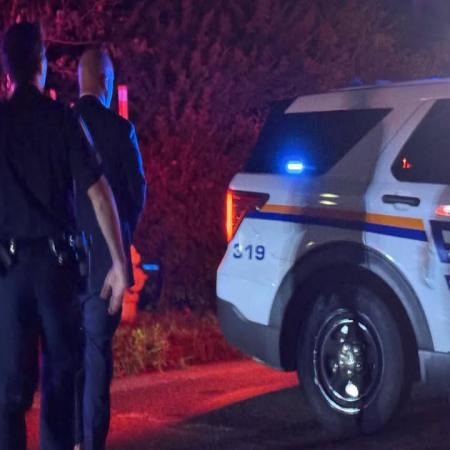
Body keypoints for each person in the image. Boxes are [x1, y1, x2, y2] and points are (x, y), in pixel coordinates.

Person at [0, 22, 128, 450]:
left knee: (9, 397)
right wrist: (119, 262)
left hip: (8, 274)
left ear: (7, 70)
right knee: (59, 384)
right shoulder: (63, 120)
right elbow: (99, 192)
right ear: (41, 64)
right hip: (56, 272)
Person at [74, 48, 146, 450]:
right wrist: (122, 237)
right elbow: (136, 194)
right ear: (105, 81)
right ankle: (91, 442)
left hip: (66, 262)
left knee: (66, 355)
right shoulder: (121, 131)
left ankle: (69, 437)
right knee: (97, 356)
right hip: (107, 264)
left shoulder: (63, 125)